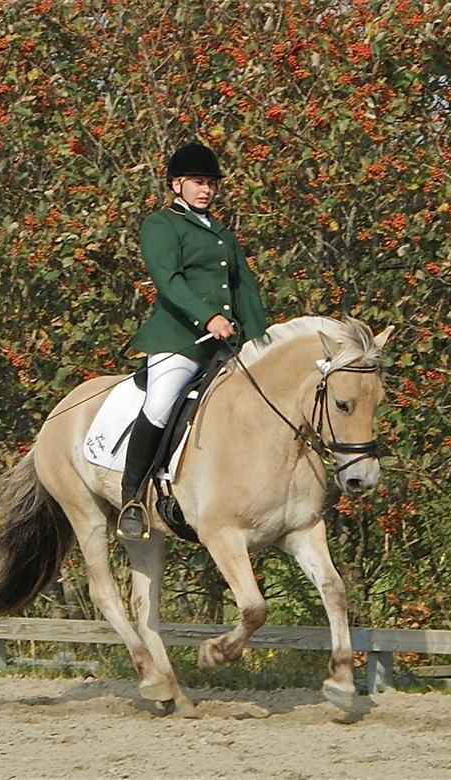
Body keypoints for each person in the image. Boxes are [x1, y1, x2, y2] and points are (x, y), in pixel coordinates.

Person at [117, 141, 267, 540]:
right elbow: (169, 282)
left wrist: (259, 341)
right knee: (161, 402)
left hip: (225, 344)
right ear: (177, 184)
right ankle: (131, 497)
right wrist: (210, 316)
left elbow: (244, 289)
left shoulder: (221, 232)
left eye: (211, 184)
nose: (206, 190)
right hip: (180, 340)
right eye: (198, 183)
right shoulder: (160, 225)